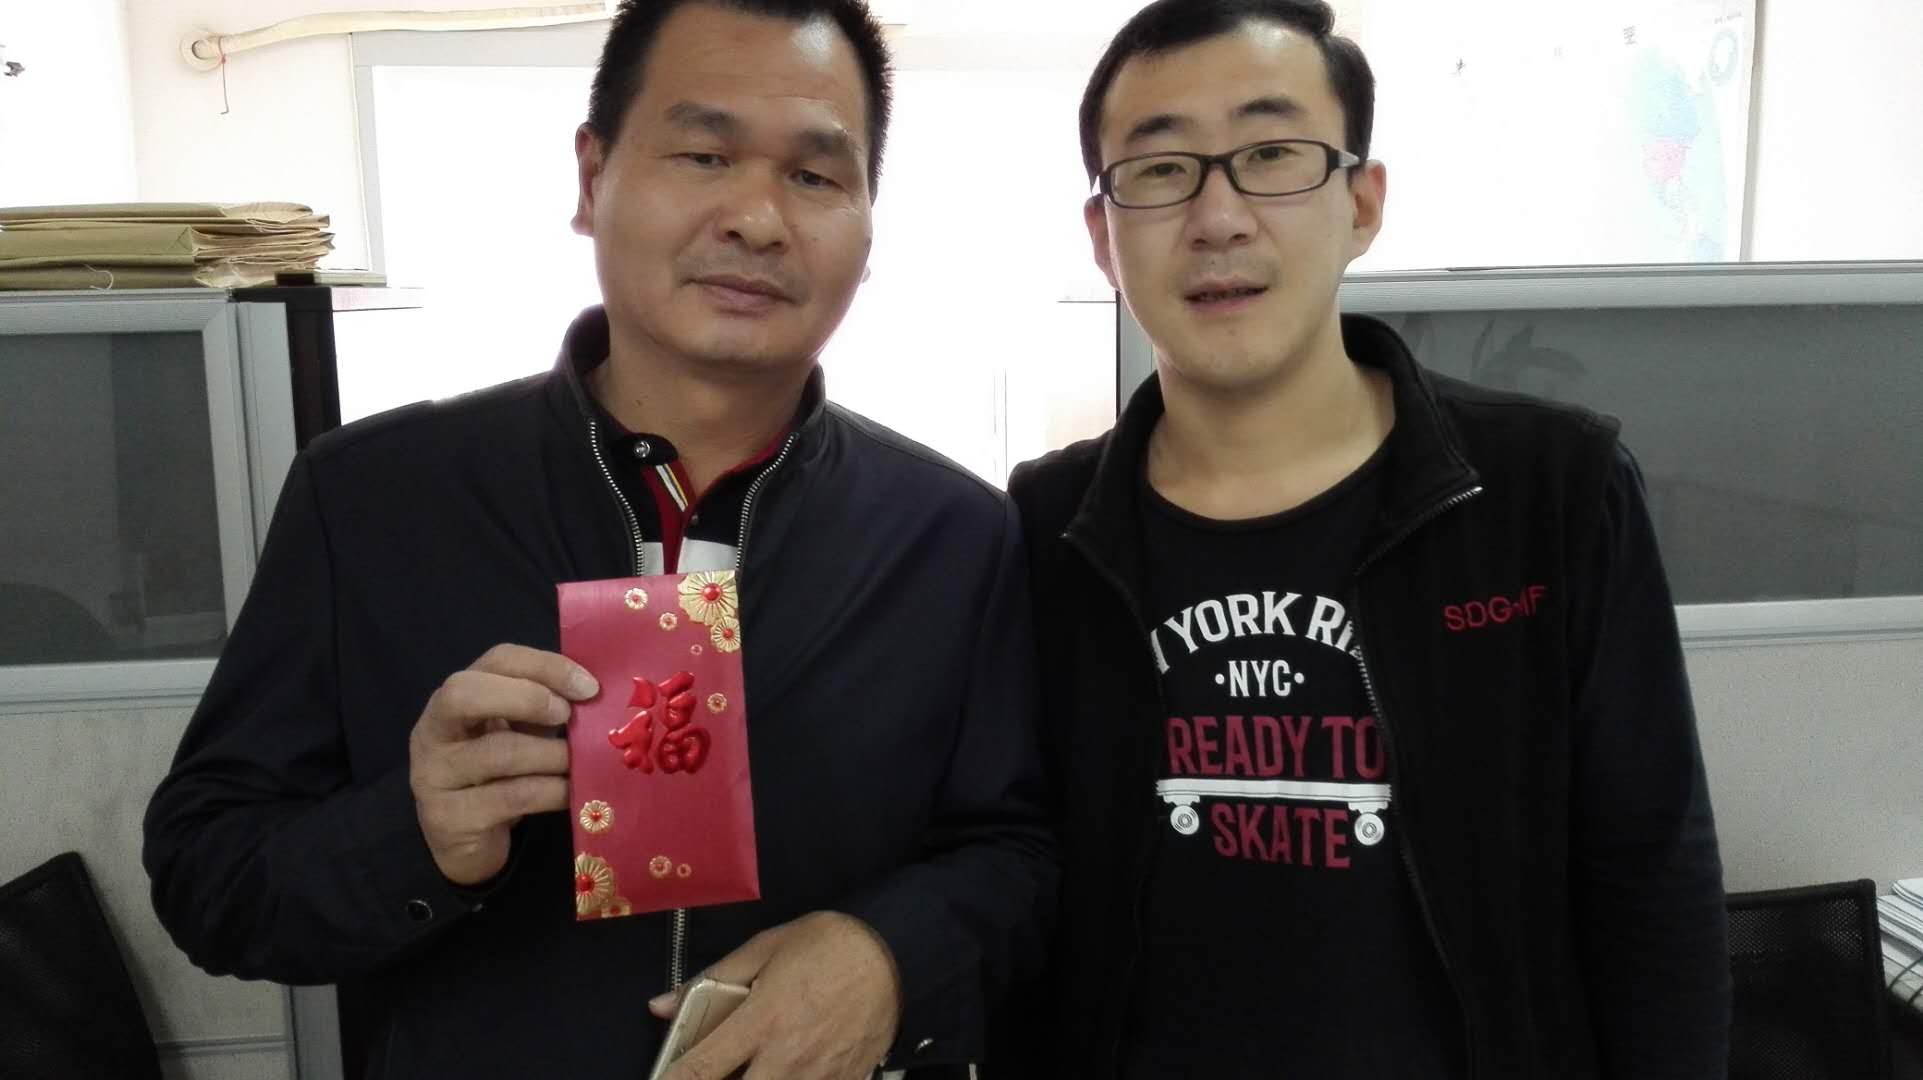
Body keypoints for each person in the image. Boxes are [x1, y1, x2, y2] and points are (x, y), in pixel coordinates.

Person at [143, 2, 1054, 1077]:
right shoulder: (371, 499)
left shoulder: (954, 535)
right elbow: (206, 875)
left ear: (867, 222)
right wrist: (415, 835)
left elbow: (1019, 855)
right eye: (704, 154)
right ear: (592, 178)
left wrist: (890, 956)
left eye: (815, 175)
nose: (757, 219)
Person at [1002, 1, 1729, 1076]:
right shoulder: (1046, 525)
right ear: (1104, 236)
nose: (1218, 217)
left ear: (1361, 203)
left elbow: (1651, 880)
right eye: (1159, 171)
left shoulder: (1546, 492)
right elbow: (1018, 867)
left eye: (1272, 155)